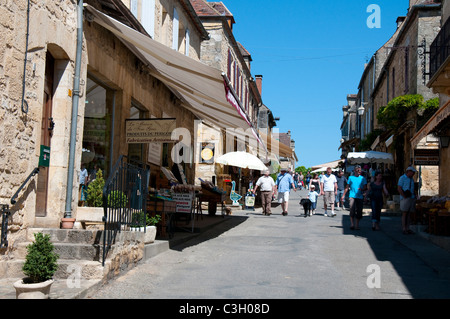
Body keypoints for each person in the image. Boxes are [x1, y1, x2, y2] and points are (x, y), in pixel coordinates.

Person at [342, 165, 367, 230]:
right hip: (352, 196)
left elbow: (365, 187)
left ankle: (357, 225)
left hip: (360, 196)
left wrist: (362, 190)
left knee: (359, 211)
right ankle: (352, 224)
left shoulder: (363, 178)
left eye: (360, 170)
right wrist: (343, 195)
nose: (359, 171)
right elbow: (347, 187)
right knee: (352, 209)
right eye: (358, 170)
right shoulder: (350, 177)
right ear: (355, 170)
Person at [398, 166, 418, 235]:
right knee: (404, 213)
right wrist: (404, 196)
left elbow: (413, 188)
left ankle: (408, 228)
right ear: (408, 171)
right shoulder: (402, 178)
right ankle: (404, 228)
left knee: (409, 213)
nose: (413, 174)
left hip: (411, 197)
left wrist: (415, 195)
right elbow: (399, 188)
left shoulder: (411, 179)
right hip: (405, 197)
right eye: (412, 172)